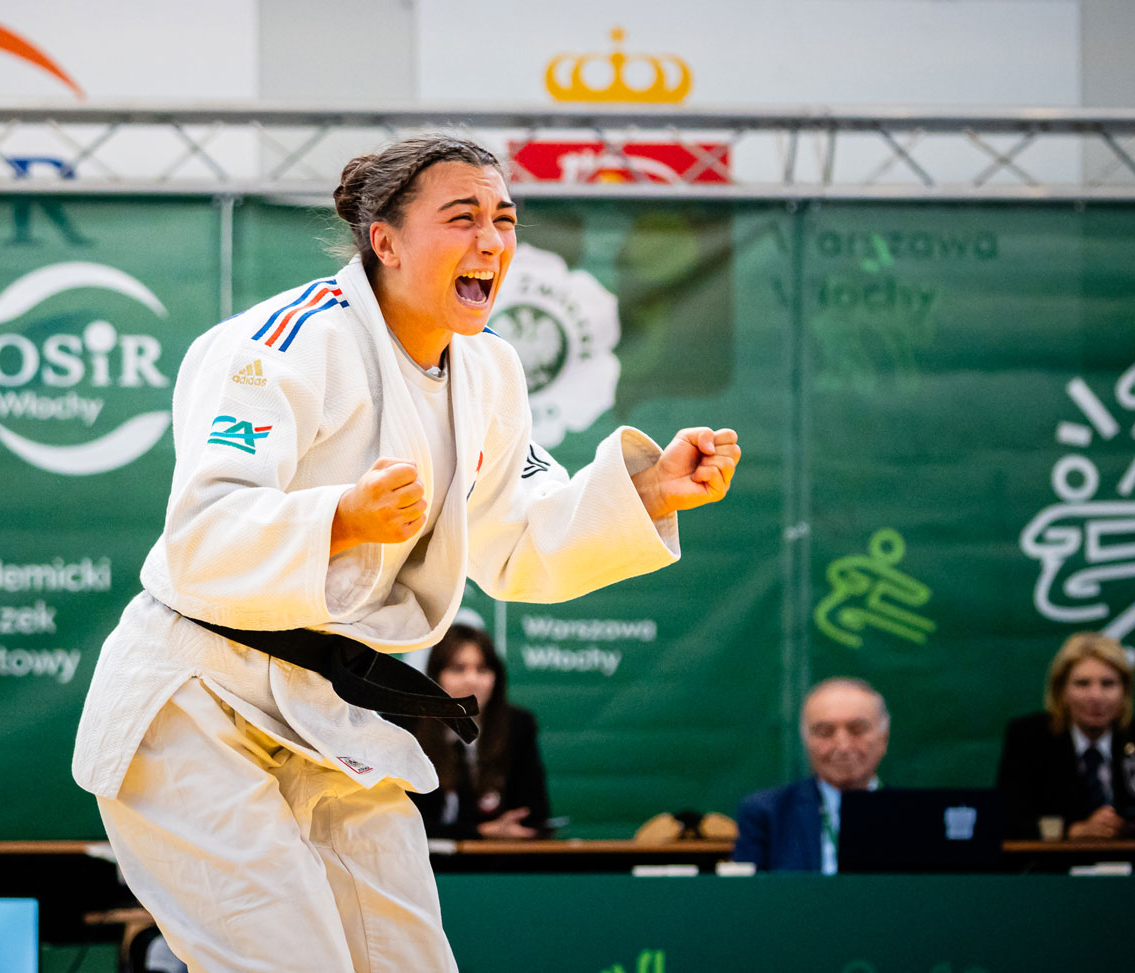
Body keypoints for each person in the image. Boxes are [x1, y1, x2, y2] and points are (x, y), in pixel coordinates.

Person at [70, 134, 740, 972]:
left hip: (332, 713)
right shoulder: (282, 341)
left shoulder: (489, 372)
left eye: (504, 219)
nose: (492, 241)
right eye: (462, 218)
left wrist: (643, 496)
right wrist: (341, 519)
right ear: (383, 240)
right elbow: (203, 534)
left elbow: (519, 539)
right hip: (196, 703)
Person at [407, 623, 551, 840]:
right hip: (420, 865)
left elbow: (534, 816)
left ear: (496, 677)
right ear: (435, 677)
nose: (471, 680)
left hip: (495, 867)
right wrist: (481, 832)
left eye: (482, 669)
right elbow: (396, 823)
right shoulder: (405, 727)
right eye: (458, 668)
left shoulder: (518, 726)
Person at [732, 677, 889, 874]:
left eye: (857, 730)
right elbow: (748, 897)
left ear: (883, 737)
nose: (842, 746)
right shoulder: (767, 814)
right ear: (806, 741)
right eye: (824, 732)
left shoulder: (913, 815)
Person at [996, 632, 1134, 839]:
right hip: (1054, 868)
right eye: (1082, 684)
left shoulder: (1131, 739)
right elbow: (1006, 819)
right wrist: (1074, 831)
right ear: (1061, 691)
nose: (1096, 696)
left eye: (1108, 684)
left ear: (1124, 691)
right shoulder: (1029, 739)